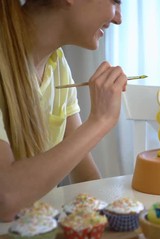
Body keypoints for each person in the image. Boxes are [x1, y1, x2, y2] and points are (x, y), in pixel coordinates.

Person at [0, 0, 127, 221]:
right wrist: (100, 120)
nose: (118, 18)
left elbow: (85, 179)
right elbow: (6, 198)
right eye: (115, 1)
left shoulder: (57, 64)